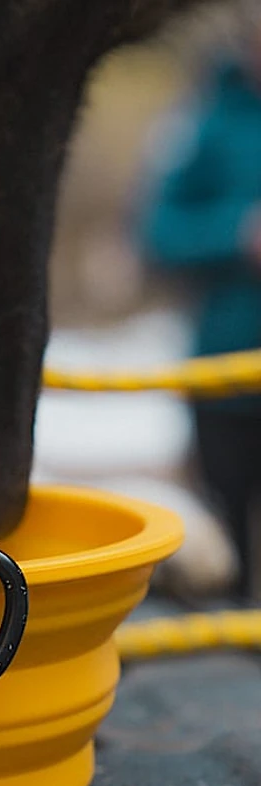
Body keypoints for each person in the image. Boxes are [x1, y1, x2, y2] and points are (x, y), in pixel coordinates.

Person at [139, 32, 261, 601]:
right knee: (228, 547)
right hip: (226, 371)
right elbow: (157, 232)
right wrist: (236, 234)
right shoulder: (204, 124)